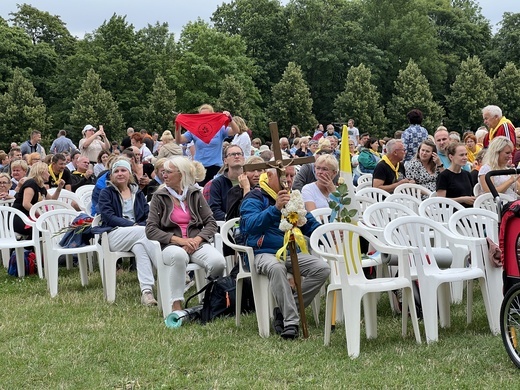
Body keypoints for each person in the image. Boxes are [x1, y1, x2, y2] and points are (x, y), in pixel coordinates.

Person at [239, 164, 330, 339]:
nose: (288, 181)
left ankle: (284, 310)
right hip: (263, 252)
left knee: (322, 268)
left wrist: (329, 235)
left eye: (291, 176)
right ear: (269, 175)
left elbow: (309, 223)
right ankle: (291, 323)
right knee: (276, 267)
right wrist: (275, 209)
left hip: (291, 251)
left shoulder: (294, 198)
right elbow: (249, 226)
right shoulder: (255, 197)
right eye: (284, 176)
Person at [145, 157, 226, 312]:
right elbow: (150, 229)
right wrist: (180, 241)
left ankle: (209, 297)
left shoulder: (194, 193)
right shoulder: (159, 196)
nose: (164, 175)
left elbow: (211, 222)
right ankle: (176, 304)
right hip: (171, 245)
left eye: (169, 172)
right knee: (179, 256)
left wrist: (197, 239)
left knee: (218, 262)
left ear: (181, 175)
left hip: (195, 243)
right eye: (164, 172)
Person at [97, 158, 158, 306]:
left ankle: (147, 292)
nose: (119, 174)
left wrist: (138, 226)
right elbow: (108, 217)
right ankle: (165, 267)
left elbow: (147, 215)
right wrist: (133, 225)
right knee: (145, 232)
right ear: (111, 175)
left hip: (137, 236)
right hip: (113, 235)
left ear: (129, 173)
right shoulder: (106, 193)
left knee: (141, 248)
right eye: (116, 171)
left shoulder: (137, 193)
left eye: (123, 170)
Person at [175, 104, 238, 186]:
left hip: (216, 167)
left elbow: (236, 131)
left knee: (216, 192)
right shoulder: (195, 129)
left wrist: (230, 119)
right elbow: (179, 140)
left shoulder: (219, 128)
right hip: (199, 168)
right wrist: (178, 125)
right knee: (199, 193)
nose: (205, 118)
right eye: (202, 116)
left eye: (207, 115)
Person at [12, 161, 65, 235]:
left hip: (29, 216)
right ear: (41, 172)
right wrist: (41, 214)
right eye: (47, 172)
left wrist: (59, 188)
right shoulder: (31, 183)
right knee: (41, 228)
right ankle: (30, 246)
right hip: (19, 217)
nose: (49, 174)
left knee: (50, 226)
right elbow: (26, 204)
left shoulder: (41, 186)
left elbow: (52, 200)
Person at [209, 145, 245, 221]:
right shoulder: (217, 183)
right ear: (225, 160)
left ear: (243, 158)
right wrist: (231, 220)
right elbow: (214, 209)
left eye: (239, 154)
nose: (237, 156)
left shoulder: (250, 180)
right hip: (225, 225)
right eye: (232, 154)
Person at [436, 143, 475, 207]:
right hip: (451, 212)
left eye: (466, 154)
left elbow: (471, 195)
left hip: (469, 211)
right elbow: (441, 201)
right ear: (451, 157)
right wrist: (462, 199)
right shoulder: (443, 176)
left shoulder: (467, 174)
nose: (465, 157)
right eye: (461, 155)